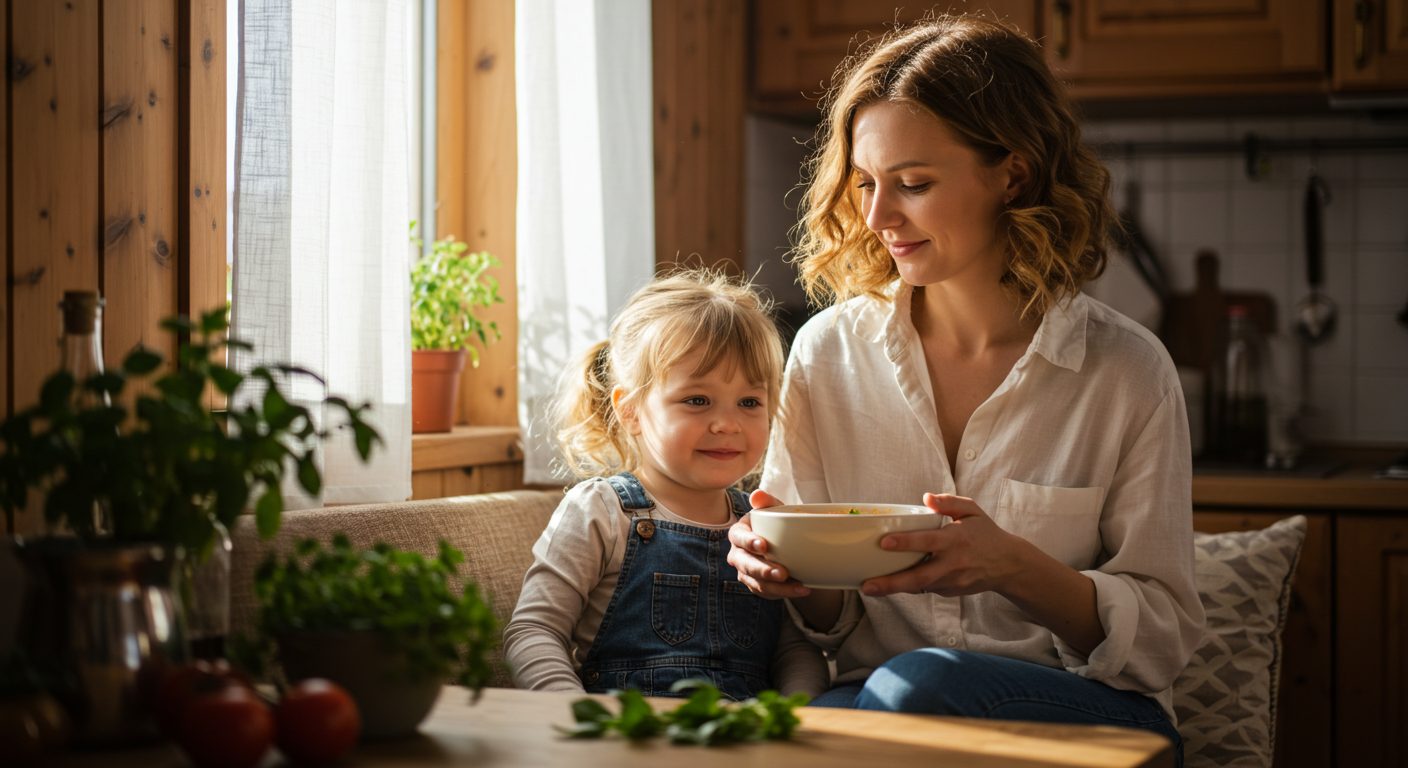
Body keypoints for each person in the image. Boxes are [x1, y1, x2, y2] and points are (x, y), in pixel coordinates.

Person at [726, 14, 1204, 762]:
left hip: (1093, 719)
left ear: (1011, 173)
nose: (879, 218)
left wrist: (1010, 564)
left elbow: (1163, 640)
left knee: (909, 690)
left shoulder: (1127, 371)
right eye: (865, 185)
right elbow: (828, 625)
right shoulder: (828, 353)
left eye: (913, 184)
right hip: (882, 702)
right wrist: (786, 570)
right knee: (825, 721)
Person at [504, 270, 829, 700]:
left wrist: (797, 713)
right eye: (697, 400)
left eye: (749, 402)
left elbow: (794, 651)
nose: (727, 423)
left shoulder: (765, 525)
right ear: (632, 411)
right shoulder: (602, 510)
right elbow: (533, 630)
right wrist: (573, 712)